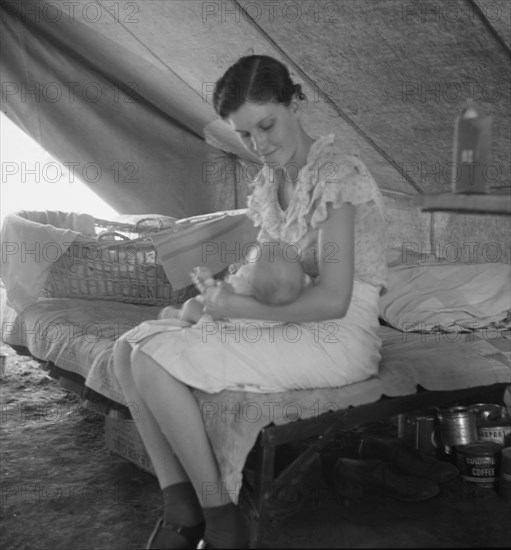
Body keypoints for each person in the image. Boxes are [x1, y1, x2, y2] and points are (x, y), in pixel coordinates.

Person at [113, 54, 388, 549]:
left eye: (266, 125)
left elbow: (332, 300)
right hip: (286, 316)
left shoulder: (337, 175)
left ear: (294, 103)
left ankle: (219, 519)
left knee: (153, 362)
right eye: (244, 135)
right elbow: (265, 267)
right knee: (126, 350)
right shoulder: (271, 180)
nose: (259, 145)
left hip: (337, 331)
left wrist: (236, 311)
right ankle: (180, 503)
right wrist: (212, 300)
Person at [160, 242, 312, 324]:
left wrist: (206, 282)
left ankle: (178, 315)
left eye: (250, 265)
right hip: (246, 326)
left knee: (191, 305)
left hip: (223, 323)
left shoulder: (239, 289)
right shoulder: (297, 290)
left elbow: (214, 299)